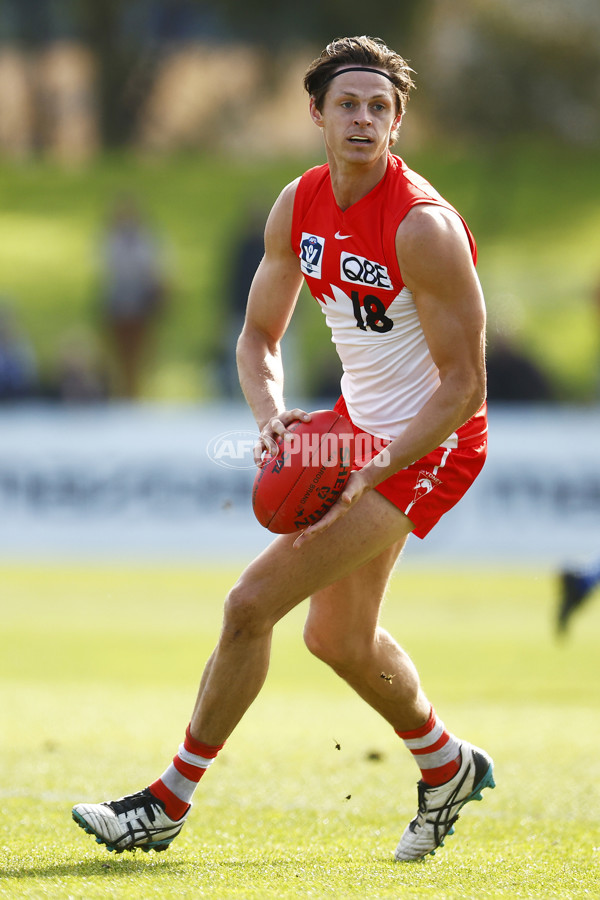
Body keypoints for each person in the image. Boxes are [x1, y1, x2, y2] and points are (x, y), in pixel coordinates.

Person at [72, 35, 495, 862]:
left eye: (380, 106)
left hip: (429, 440)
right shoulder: (298, 205)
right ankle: (446, 766)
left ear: (399, 123)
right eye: (349, 104)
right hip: (354, 420)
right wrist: (271, 415)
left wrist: (374, 464)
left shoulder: (423, 228)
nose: (364, 119)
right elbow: (258, 335)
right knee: (335, 638)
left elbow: (464, 388)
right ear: (317, 115)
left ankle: (167, 802)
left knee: (250, 605)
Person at [98, 194, 169, 399]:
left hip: (141, 308)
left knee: (141, 354)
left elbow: (154, 270)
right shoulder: (110, 240)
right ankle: (123, 392)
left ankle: (137, 392)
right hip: (118, 307)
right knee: (119, 356)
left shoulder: (147, 240)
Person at [557, 562, 600, 634]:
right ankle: (562, 623)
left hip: (581, 585)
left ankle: (562, 623)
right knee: (567, 608)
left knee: (567, 609)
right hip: (580, 585)